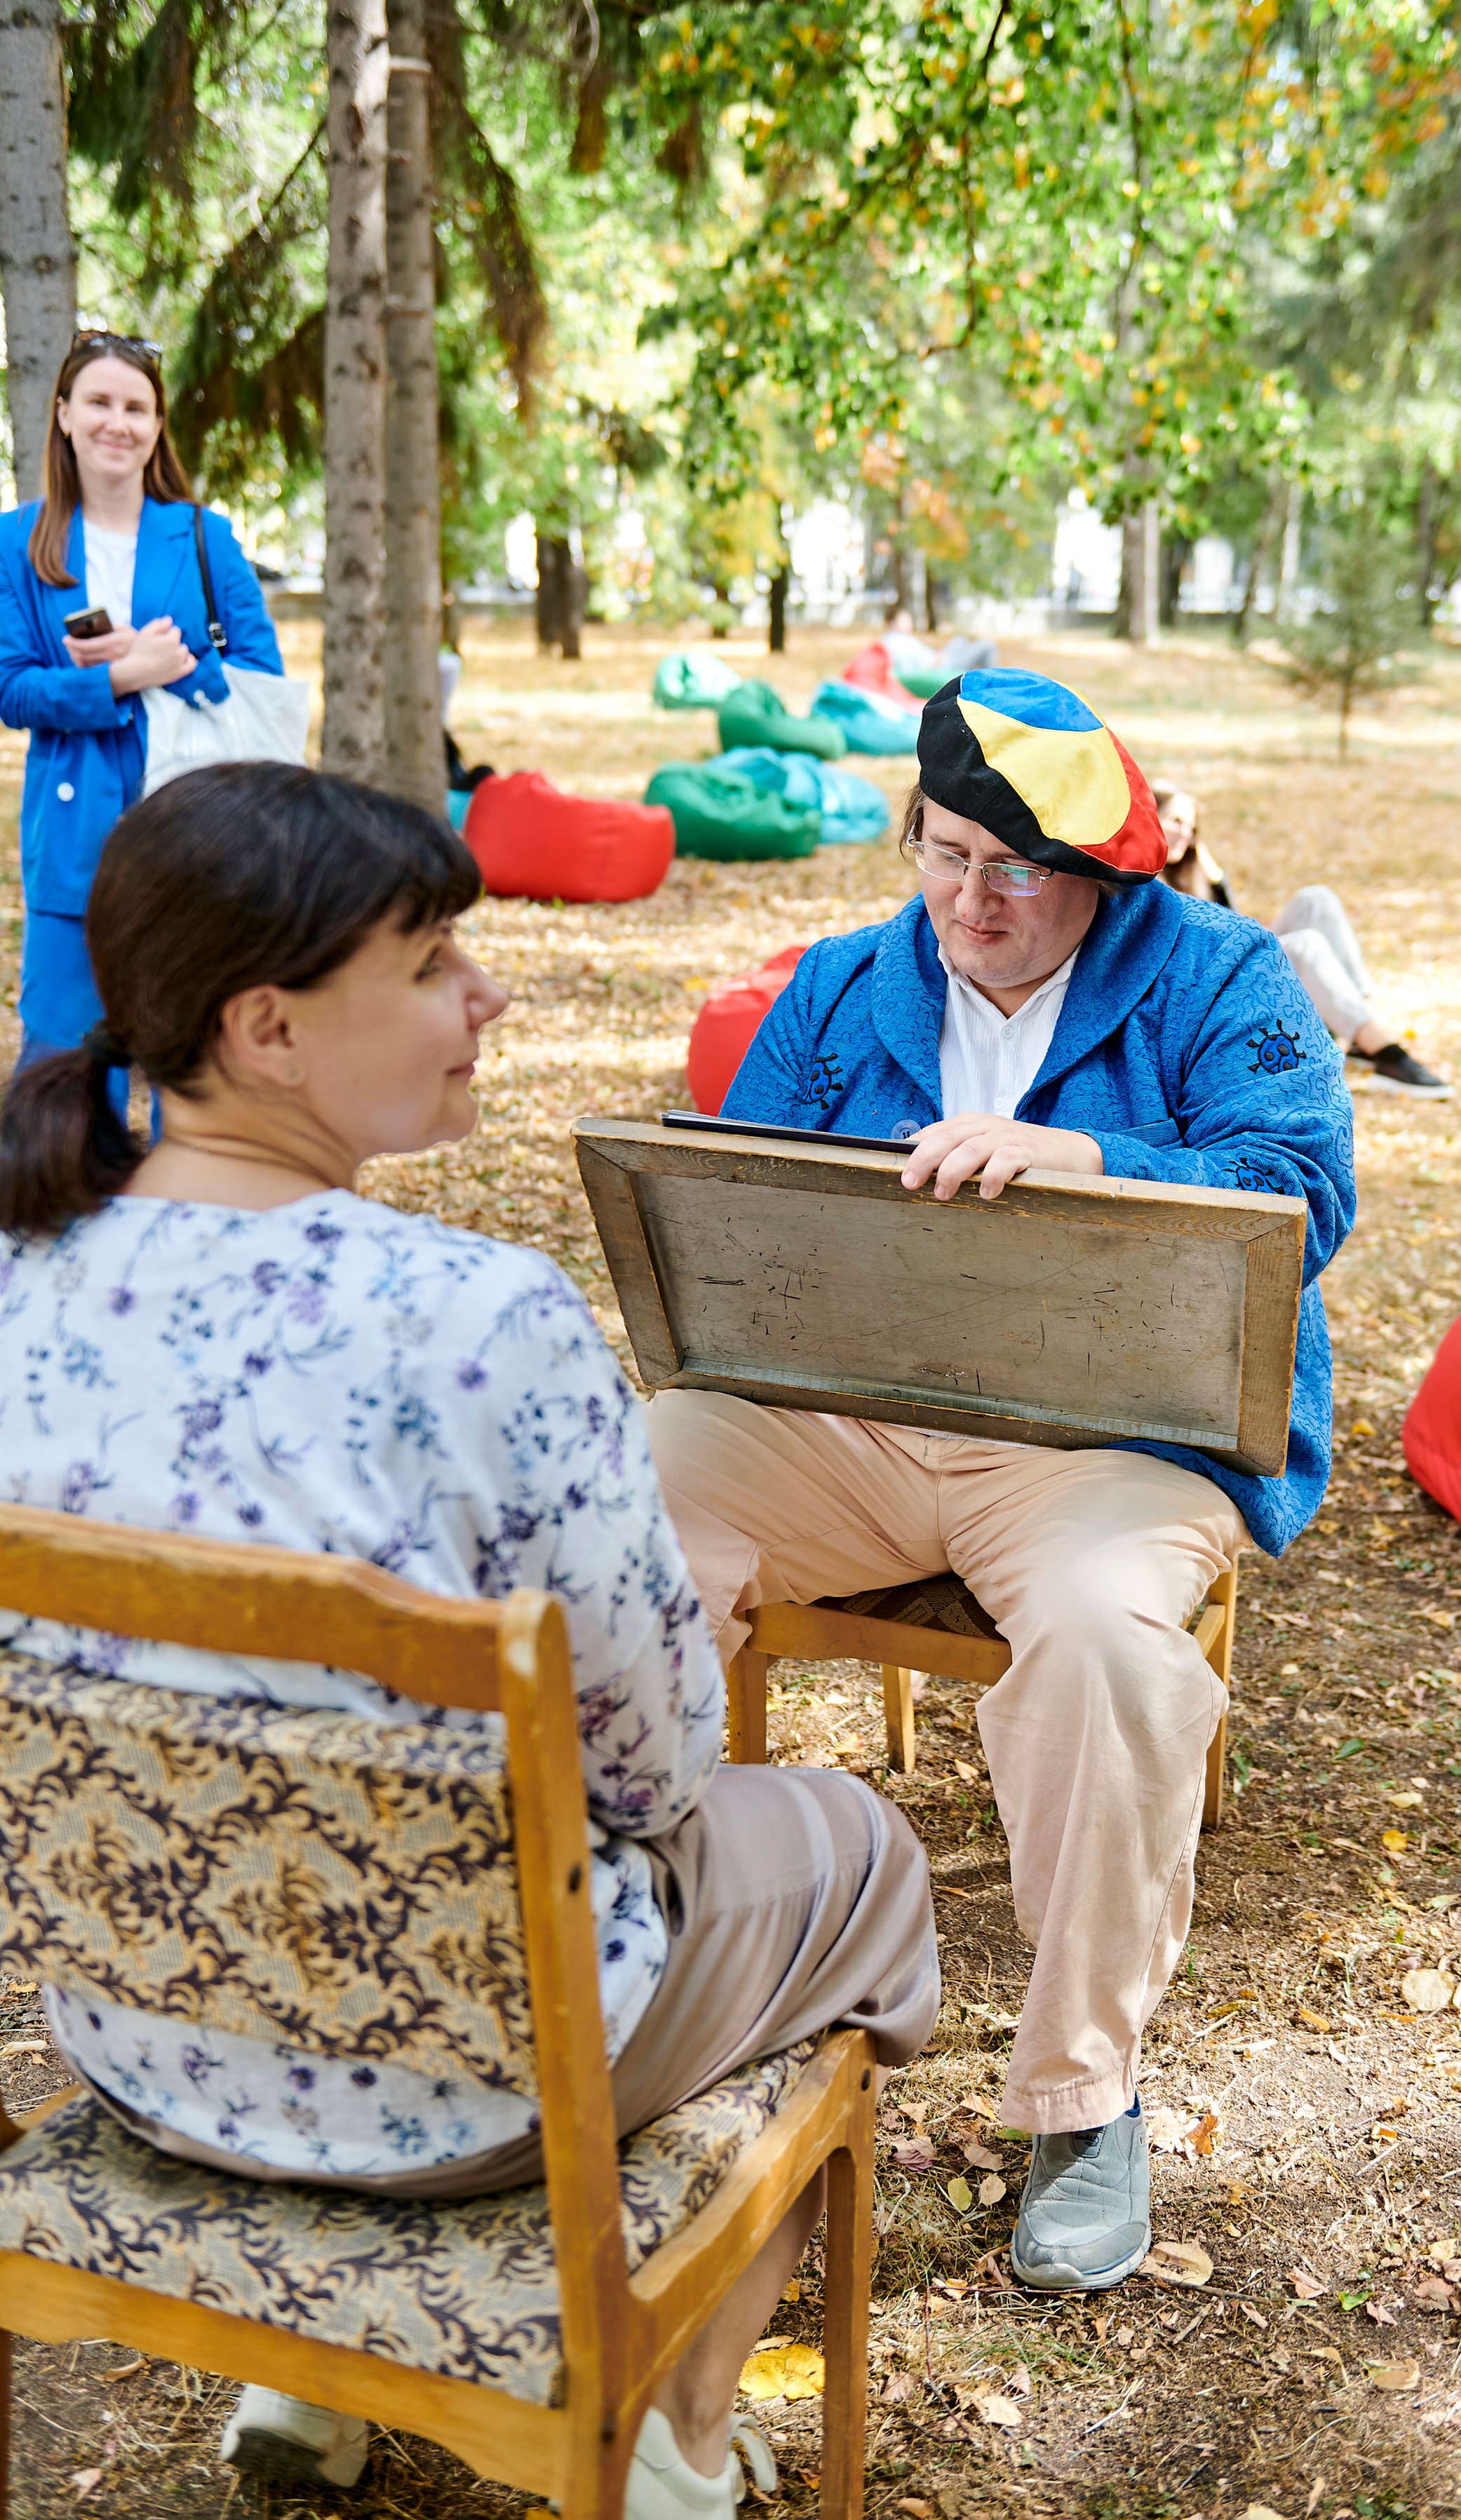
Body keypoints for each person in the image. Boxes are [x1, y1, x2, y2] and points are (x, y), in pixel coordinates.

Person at [0, 764, 938, 2509]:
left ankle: (313, 2372)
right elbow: (656, 1772)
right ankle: (675, 2428)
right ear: (268, 1027)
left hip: (140, 2048)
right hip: (481, 2091)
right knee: (863, 1860)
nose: (487, 994)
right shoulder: (481, 1324)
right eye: (433, 961)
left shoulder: (18, 1283)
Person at [647, 671, 1355, 2296]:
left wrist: (1091, 1160)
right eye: (945, 854)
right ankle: (625, 1963)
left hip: (1113, 1441)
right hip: (854, 1419)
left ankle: (1083, 2096)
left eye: (1017, 870)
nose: (972, 900)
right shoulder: (843, 984)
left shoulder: (1218, 975)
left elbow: (1299, 1189)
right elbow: (742, 1200)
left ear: (1096, 874)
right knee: (619, 1510)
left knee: (1106, 1648)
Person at [0, 330, 283, 1074]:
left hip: (195, 824)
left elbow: (261, 677)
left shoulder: (203, 536)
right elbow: (12, 689)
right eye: (98, 402)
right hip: (74, 830)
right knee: (63, 1061)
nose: (116, 423)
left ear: (157, 427)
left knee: (193, 1063)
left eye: (136, 408)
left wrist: (170, 667)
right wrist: (119, 676)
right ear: (63, 413)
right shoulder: (16, 541)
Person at [1151, 780, 1453, 1098]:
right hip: (1204, 988)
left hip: (1233, 968)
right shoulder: (1144, 881)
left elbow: (1235, 924)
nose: (1185, 834)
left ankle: (1357, 1033)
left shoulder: (1194, 873)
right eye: (1175, 821)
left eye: (1192, 828)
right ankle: (1386, 1055)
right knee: (1306, 945)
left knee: (1316, 900)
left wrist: (1207, 864)